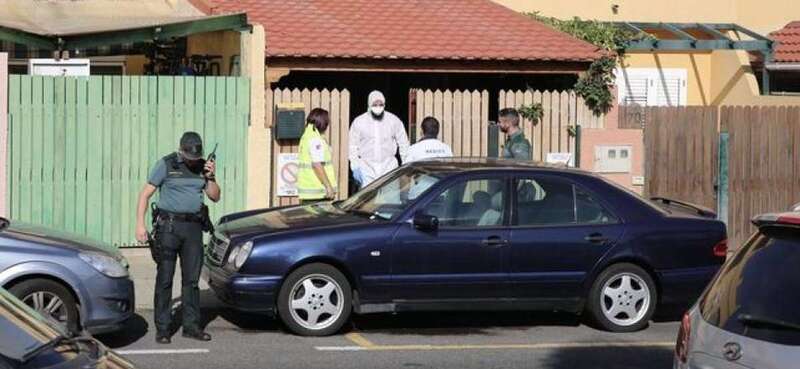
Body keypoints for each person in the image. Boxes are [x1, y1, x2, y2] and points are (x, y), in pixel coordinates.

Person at [135, 132, 220, 344]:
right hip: (169, 228)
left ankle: (191, 326)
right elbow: (145, 194)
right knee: (165, 279)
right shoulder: (166, 164)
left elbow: (215, 196)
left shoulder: (203, 166)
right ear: (181, 150)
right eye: (189, 157)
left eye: (195, 157)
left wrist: (210, 177)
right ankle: (163, 328)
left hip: (193, 229)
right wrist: (139, 224)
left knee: (191, 281)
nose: (193, 160)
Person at [349, 90, 410, 188]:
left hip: (389, 167)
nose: (378, 107)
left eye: (381, 104)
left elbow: (403, 144)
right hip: (366, 168)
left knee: (389, 199)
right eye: (375, 104)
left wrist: (406, 164)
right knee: (368, 201)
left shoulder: (393, 120)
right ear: (369, 104)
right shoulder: (359, 122)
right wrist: (355, 166)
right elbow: (352, 146)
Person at [298, 108, 337, 204]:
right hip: (317, 194)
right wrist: (328, 186)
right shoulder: (315, 139)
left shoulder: (307, 136)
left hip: (310, 193)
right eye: (326, 123)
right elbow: (317, 164)